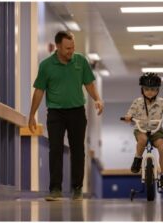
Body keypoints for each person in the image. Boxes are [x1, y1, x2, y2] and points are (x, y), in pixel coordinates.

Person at [27, 31, 104, 201]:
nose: (71, 51)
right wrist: (32, 114)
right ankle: (55, 189)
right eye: (68, 48)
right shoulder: (46, 65)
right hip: (55, 112)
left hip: (77, 111)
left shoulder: (81, 61)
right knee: (55, 149)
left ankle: (77, 188)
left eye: (73, 47)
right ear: (58, 47)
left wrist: (97, 99)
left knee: (78, 150)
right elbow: (39, 90)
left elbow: (89, 84)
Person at [122, 73, 163, 188]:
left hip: (156, 131)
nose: (150, 92)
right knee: (143, 139)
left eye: (153, 89)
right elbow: (129, 114)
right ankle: (137, 158)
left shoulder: (162, 102)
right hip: (141, 129)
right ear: (142, 90)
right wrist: (127, 117)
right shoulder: (137, 102)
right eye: (146, 89)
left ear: (157, 90)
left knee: (162, 147)